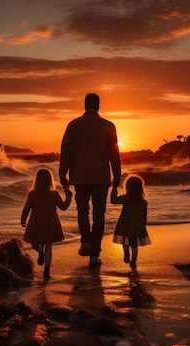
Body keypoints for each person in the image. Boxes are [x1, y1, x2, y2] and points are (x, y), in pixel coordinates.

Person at [59, 93, 121, 268]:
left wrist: (62, 173)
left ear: (84, 106)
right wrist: (117, 177)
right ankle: (94, 255)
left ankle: (85, 241)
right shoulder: (108, 126)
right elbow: (114, 154)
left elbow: (66, 151)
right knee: (99, 215)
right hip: (101, 177)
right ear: (99, 106)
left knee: (82, 211)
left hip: (80, 176)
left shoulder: (73, 125)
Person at [21, 168, 72, 279]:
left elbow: (26, 209)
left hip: (37, 222)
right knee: (46, 246)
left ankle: (44, 263)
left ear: (37, 180)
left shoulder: (35, 194)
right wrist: (68, 196)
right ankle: (43, 258)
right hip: (49, 222)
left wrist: (23, 219)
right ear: (49, 180)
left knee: (36, 243)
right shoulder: (50, 194)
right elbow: (63, 207)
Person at [110, 176, 150, 269]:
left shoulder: (125, 198)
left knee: (125, 240)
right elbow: (144, 216)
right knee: (134, 244)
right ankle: (134, 260)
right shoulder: (143, 202)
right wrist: (143, 226)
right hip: (137, 225)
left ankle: (126, 253)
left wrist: (114, 189)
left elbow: (113, 200)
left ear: (127, 187)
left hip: (125, 223)